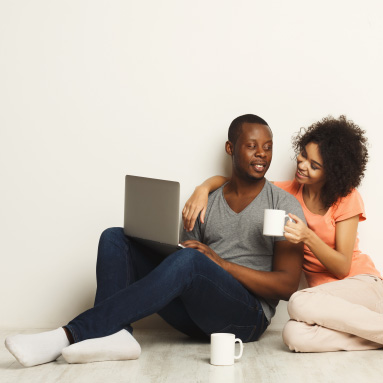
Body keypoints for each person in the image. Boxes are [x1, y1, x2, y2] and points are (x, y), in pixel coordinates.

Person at [5, 114, 305, 367]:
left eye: (267, 147)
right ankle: (117, 335)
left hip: (245, 320)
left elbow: (288, 286)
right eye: (252, 146)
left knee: (192, 260)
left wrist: (220, 264)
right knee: (115, 237)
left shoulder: (283, 204)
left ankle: (72, 334)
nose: (262, 154)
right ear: (231, 147)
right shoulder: (206, 202)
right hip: (194, 318)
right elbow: (185, 263)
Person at [183, 115, 383, 352]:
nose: (302, 165)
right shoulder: (288, 191)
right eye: (304, 155)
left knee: (298, 301)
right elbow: (238, 179)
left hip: (360, 284)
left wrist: (307, 236)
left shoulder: (346, 198)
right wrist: (203, 188)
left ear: (332, 172)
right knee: (294, 335)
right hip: (322, 298)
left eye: (314, 165)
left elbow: (342, 267)